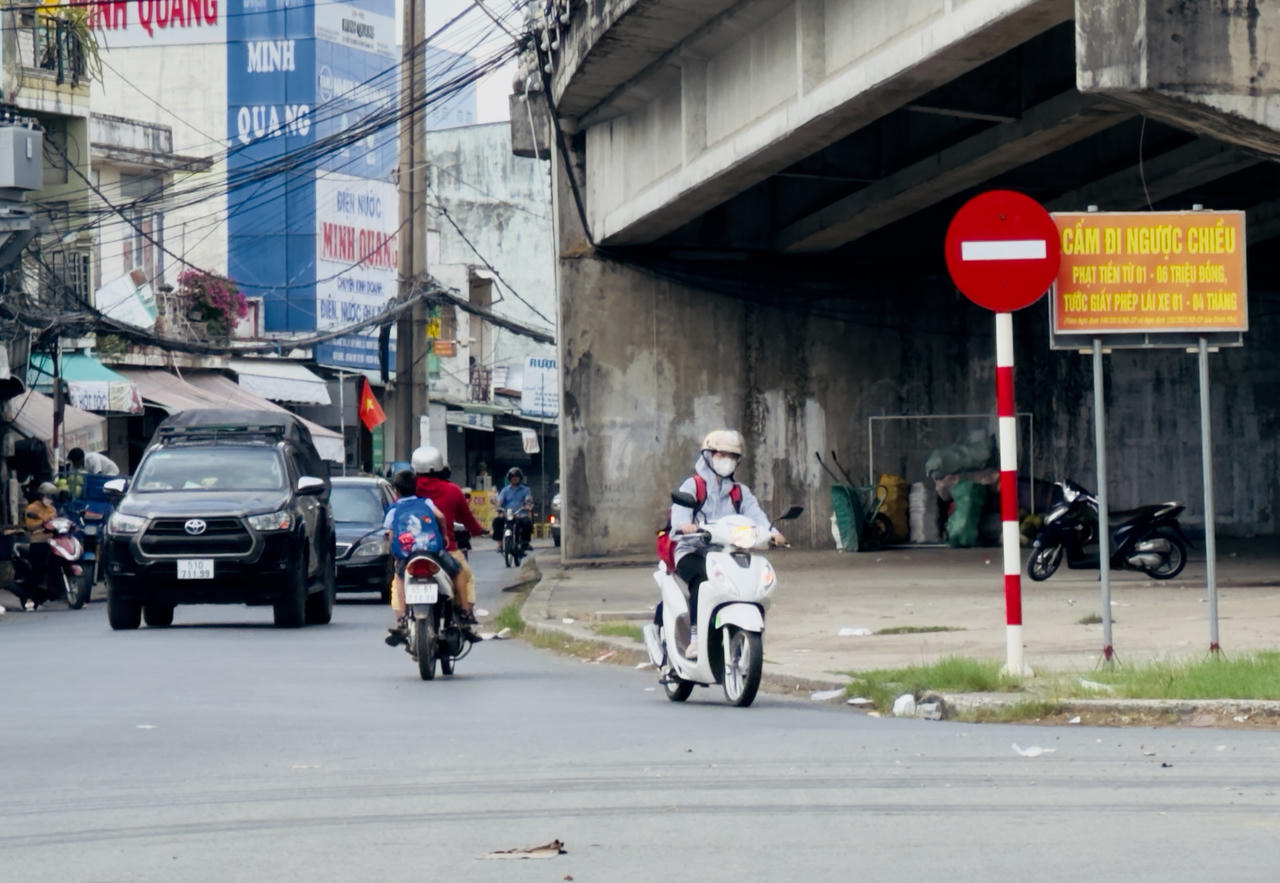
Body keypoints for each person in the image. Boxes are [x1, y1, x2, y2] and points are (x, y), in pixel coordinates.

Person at [668, 430, 784, 660]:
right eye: (722, 454)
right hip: (693, 551)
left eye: (732, 456)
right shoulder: (693, 486)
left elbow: (757, 517)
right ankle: (695, 638)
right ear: (709, 455)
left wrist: (773, 532)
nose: (727, 460)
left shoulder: (740, 492)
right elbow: (679, 517)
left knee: (748, 581)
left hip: (728, 553)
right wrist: (685, 526)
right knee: (702, 581)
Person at [409, 445, 486, 625]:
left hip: (411, 550)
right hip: (446, 549)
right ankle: (466, 611)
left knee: (397, 581)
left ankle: (401, 618)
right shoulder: (452, 490)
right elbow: (468, 520)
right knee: (465, 575)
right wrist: (478, 530)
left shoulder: (408, 491)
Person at [383, 468, 450, 648]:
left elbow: (391, 534)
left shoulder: (393, 509)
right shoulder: (426, 502)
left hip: (406, 556)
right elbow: (441, 517)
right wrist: (444, 536)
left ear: (396, 491)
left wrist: (395, 554)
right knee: (456, 570)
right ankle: (462, 612)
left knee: (398, 580)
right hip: (431, 551)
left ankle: (402, 620)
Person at [19, 481, 59, 610]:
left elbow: (57, 522)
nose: (49, 499)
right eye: (47, 496)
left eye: (51, 496)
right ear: (42, 495)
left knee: (54, 568)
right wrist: (43, 522)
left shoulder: (52, 509)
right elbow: (30, 525)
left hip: (52, 542)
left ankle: (52, 595)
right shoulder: (32, 508)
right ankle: (31, 599)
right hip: (38, 542)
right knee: (36, 572)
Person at [493, 467, 534, 549]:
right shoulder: (505, 490)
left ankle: (525, 542)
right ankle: (500, 543)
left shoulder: (526, 490)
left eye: (517, 476)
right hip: (508, 514)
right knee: (497, 521)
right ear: (509, 479)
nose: (515, 478)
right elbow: (499, 501)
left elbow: (528, 499)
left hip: (520, 514)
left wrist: (528, 505)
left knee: (527, 523)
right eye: (512, 477)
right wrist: (497, 505)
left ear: (520, 478)